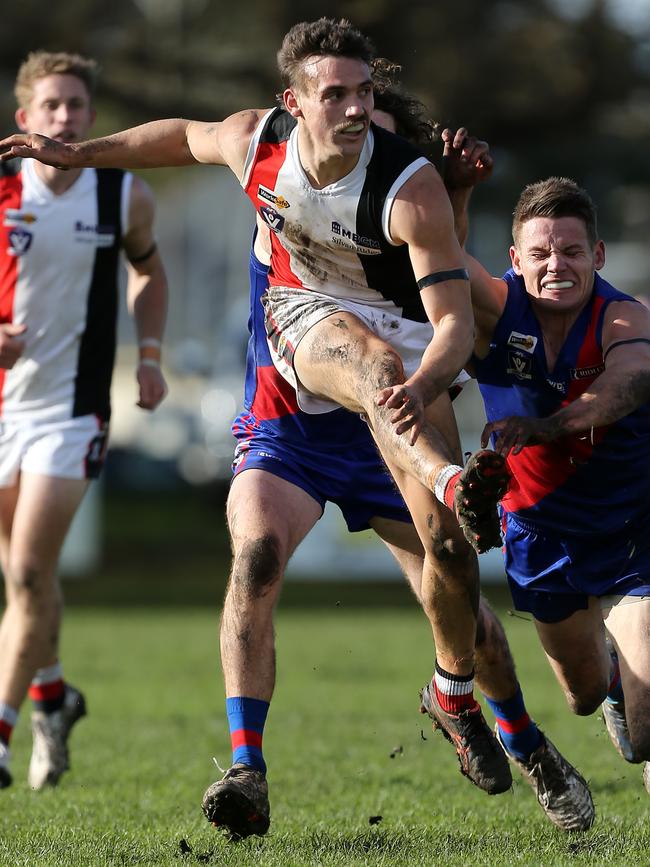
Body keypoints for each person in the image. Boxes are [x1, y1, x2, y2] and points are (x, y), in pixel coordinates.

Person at [208, 74, 594, 839]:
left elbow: (457, 308)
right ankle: (245, 766)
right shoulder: (286, 204)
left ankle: (517, 734)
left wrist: (456, 197)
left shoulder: (405, 227)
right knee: (254, 555)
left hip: (392, 433)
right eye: (344, 129)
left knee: (461, 598)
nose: (356, 145)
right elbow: (189, 138)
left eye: (375, 140)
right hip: (290, 430)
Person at [0, 51, 168, 790]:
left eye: (76, 105)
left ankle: (1, 735)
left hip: (71, 410)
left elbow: (149, 270)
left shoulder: (121, 195)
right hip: (3, 405)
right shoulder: (2, 188)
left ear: (92, 118)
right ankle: (53, 697)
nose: (64, 117)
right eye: (52, 105)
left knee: (32, 569)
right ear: (24, 119)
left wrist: (153, 354)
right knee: (21, 579)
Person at [454, 172, 650, 795]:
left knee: (648, 736)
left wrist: (549, 426)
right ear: (515, 259)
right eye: (540, 253)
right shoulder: (493, 308)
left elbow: (630, 383)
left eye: (570, 251)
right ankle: (615, 687)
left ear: (597, 255)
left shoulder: (625, 316)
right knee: (584, 695)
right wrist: (456, 194)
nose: (555, 265)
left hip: (632, 528)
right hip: (540, 534)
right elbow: (436, 260)